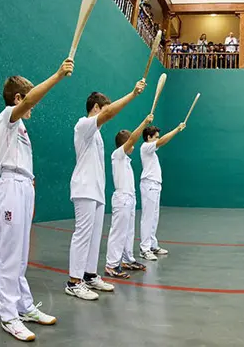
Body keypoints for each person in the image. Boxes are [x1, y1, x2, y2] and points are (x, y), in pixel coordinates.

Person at [0, 58, 72, 341]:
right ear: (17, 99)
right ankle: (8, 316)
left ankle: (23, 307)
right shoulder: (7, 116)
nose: (32, 106)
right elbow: (27, 104)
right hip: (10, 188)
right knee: (9, 254)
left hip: (24, 186)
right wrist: (57, 75)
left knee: (22, 253)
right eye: (28, 99)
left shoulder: (22, 129)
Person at [67, 80, 146, 301]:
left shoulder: (97, 134)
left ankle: (90, 276)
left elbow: (108, 114)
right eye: (105, 108)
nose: (107, 112)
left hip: (97, 191)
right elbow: (109, 113)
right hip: (84, 188)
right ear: (96, 108)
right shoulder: (83, 125)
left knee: (93, 237)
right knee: (82, 234)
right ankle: (74, 282)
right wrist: (132, 94)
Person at [104, 114, 153, 280]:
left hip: (130, 199)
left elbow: (132, 140)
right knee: (118, 233)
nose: (134, 145)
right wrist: (144, 122)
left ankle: (126, 259)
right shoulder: (117, 155)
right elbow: (132, 139)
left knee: (128, 232)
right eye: (130, 141)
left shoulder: (125, 159)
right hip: (121, 199)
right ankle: (111, 265)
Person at [138, 122, 186, 261]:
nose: (158, 139)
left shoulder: (152, 152)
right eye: (156, 137)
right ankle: (144, 249)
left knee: (154, 217)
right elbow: (163, 141)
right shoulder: (146, 147)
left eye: (158, 137)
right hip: (149, 185)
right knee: (148, 217)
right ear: (148, 137)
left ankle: (152, 245)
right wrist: (176, 129)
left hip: (155, 186)